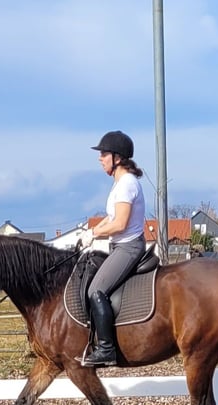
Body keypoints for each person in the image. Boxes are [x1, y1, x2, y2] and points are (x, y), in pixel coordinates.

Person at [77, 130, 146, 367]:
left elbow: (120, 223)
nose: (100, 158)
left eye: (104, 153)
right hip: (119, 245)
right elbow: (110, 217)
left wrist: (94, 233)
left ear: (118, 157)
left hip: (128, 247)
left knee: (96, 290)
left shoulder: (127, 184)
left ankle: (106, 348)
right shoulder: (120, 183)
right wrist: (88, 231)